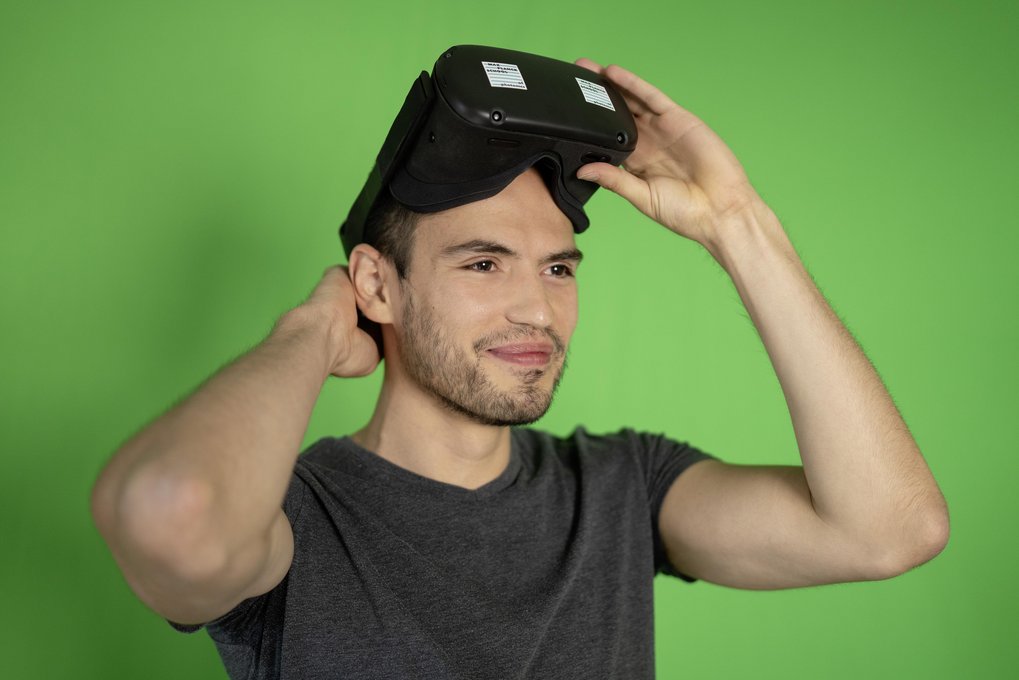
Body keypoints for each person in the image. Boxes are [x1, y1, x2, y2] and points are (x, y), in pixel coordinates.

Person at [90, 58, 949, 679]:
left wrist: (737, 224)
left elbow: (889, 530)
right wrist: (312, 332)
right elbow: (173, 511)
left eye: (558, 267)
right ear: (376, 286)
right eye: (482, 263)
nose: (537, 308)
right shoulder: (293, 517)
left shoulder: (621, 490)